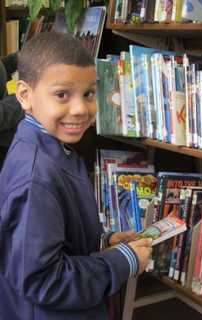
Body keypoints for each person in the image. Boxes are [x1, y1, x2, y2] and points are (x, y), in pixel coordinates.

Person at [0, 32, 152, 320]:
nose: (81, 108)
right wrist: (121, 262)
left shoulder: (55, 147)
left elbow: (53, 236)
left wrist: (102, 242)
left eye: (89, 93)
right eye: (62, 95)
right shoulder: (37, 176)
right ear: (24, 95)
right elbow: (43, 281)